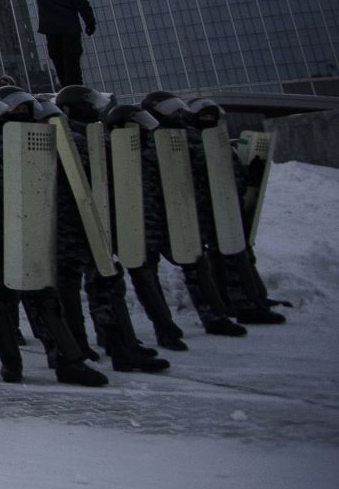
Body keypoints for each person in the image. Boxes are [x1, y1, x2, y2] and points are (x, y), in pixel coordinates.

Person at [0, 89, 108, 387]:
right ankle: (12, 364)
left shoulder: (35, 145)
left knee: (44, 297)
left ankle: (67, 359)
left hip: (28, 232)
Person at [50, 86, 169, 376]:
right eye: (89, 106)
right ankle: (116, 347)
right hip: (81, 227)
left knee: (94, 285)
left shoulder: (84, 137)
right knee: (103, 285)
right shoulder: (77, 141)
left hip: (85, 224)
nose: (95, 111)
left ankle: (109, 344)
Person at [138, 91, 245, 343]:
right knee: (147, 272)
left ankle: (214, 316)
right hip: (153, 216)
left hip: (184, 209)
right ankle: (164, 327)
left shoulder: (189, 135)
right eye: (171, 110)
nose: (177, 114)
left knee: (196, 263)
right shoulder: (144, 138)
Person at [187, 99, 285, 327]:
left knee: (234, 253)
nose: (209, 121)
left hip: (227, 206)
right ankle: (244, 304)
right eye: (204, 117)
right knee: (230, 255)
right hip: (211, 209)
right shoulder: (194, 142)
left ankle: (248, 298)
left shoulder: (214, 141)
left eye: (212, 117)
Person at [18, 0, 96, 87]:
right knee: (72, 62)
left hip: (51, 30)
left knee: (58, 60)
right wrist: (90, 23)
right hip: (70, 29)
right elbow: (83, 4)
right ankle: (75, 89)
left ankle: (66, 88)